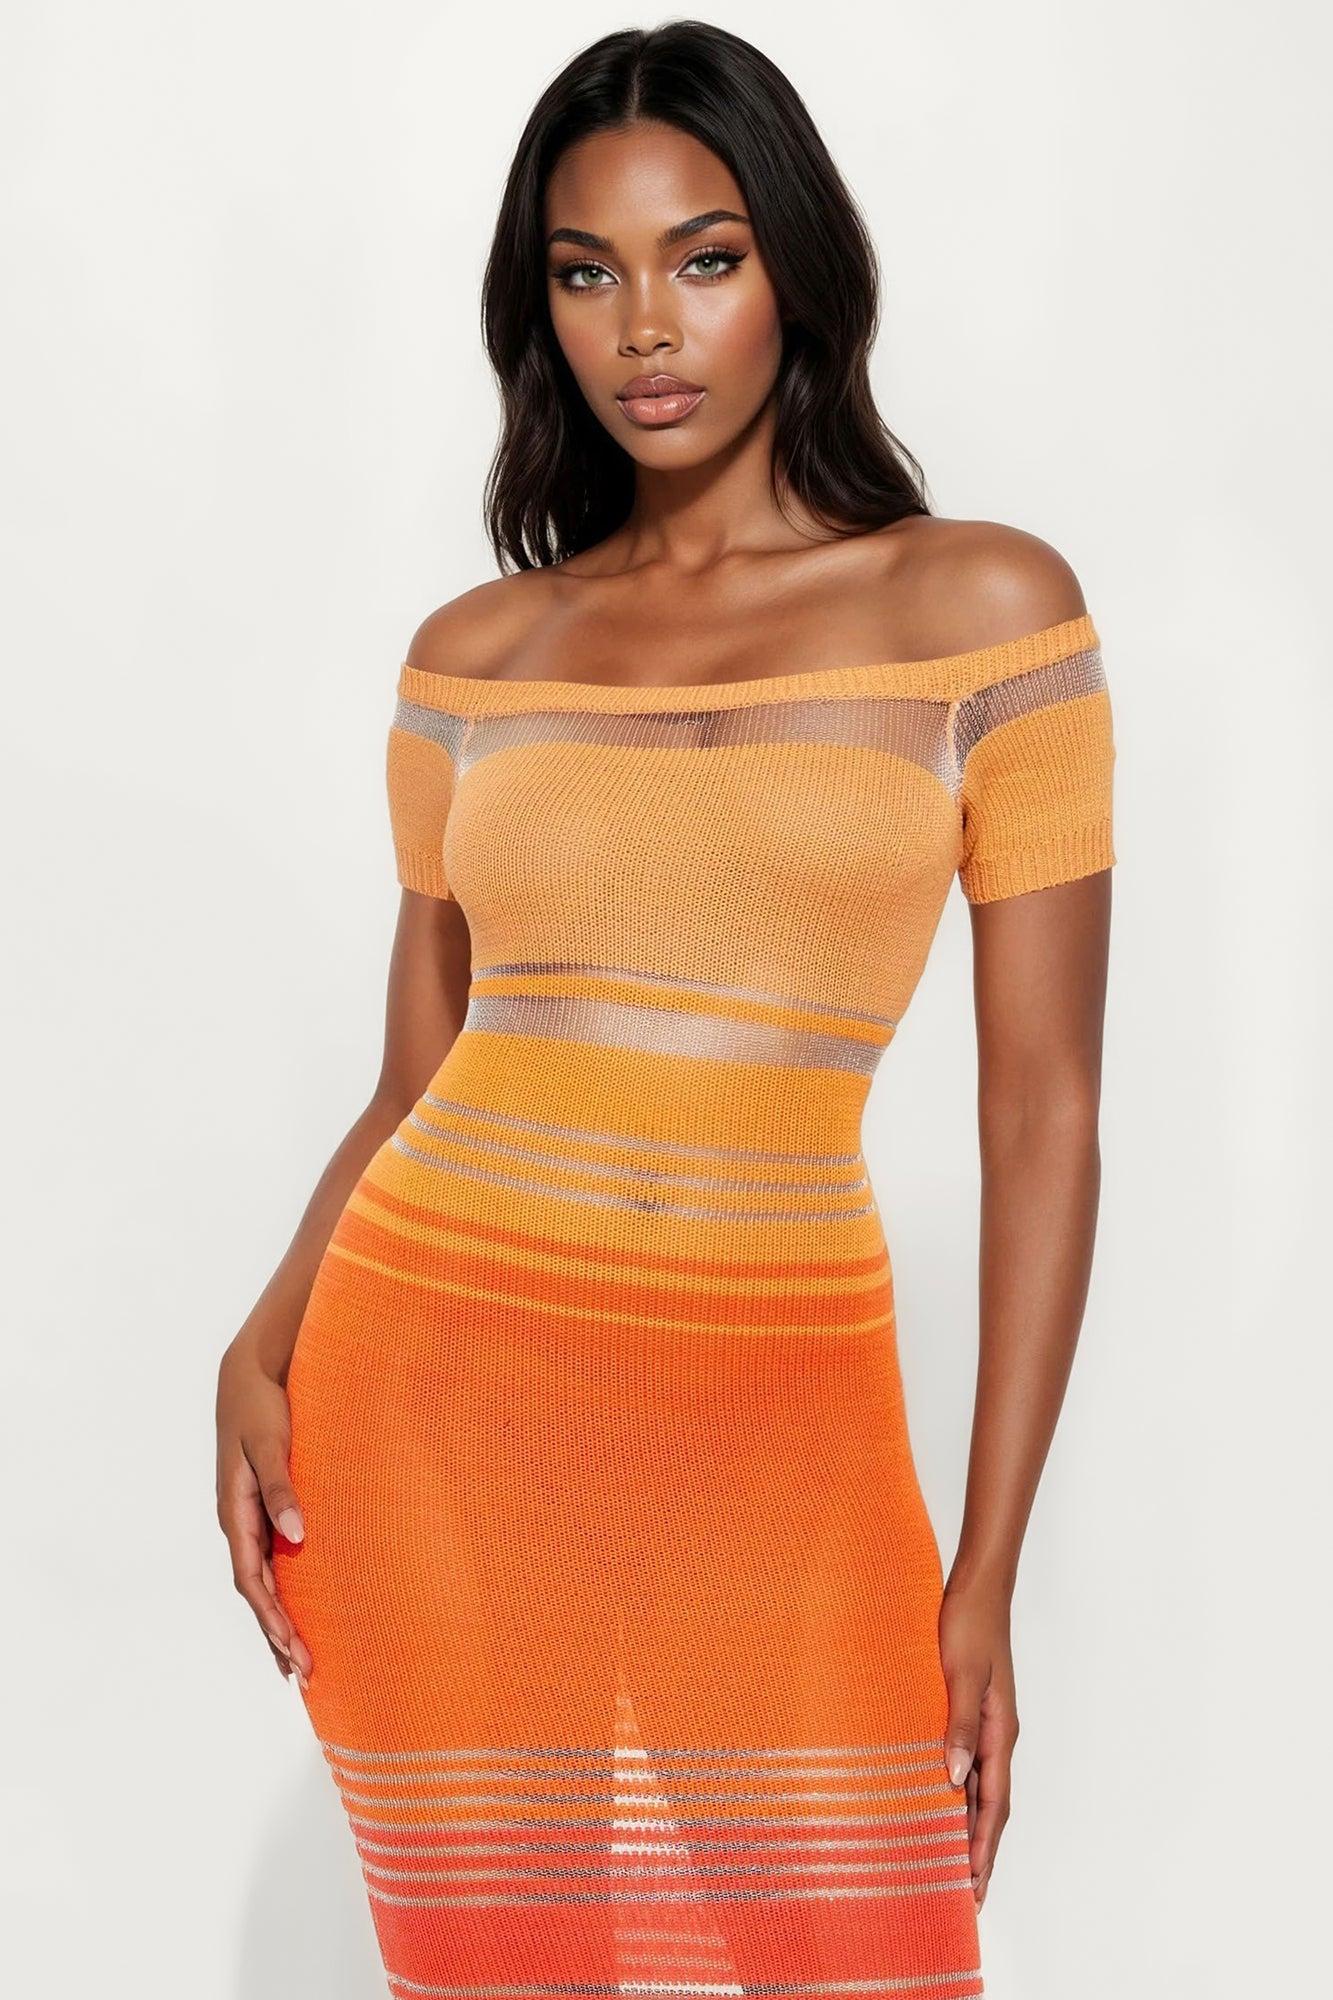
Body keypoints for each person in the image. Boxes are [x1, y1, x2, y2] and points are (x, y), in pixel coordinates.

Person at [215, 21, 1115, 1998]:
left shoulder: (982, 612)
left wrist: (983, 1567)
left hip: (782, 1423)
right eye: (586, 269)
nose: (646, 325)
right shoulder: (479, 651)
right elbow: (417, 1068)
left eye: (704, 257)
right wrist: (257, 1344)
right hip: (430, 1397)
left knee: (863, 1961)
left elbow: (1042, 1111)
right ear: (535, 307)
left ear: (796, 263)